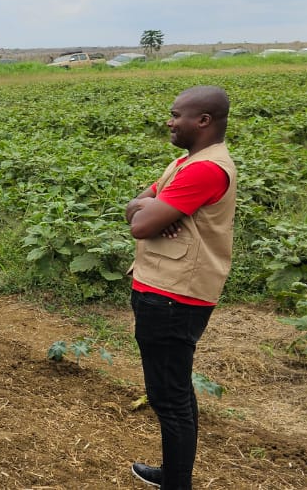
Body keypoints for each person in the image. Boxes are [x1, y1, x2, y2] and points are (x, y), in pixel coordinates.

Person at [125, 86, 236, 490]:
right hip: (164, 288)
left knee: (168, 397)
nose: (169, 122)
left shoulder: (205, 169)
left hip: (175, 297)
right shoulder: (186, 163)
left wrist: (152, 213)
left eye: (176, 115)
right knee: (175, 390)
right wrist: (150, 210)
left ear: (203, 121)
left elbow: (139, 224)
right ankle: (174, 475)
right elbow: (135, 208)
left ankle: (176, 483)